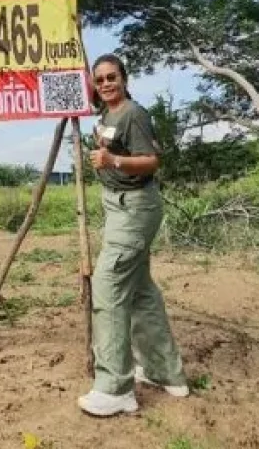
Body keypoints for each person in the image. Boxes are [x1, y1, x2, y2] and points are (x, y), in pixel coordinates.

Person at [77, 53, 189, 418]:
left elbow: (152, 160)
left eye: (113, 77)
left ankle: (115, 388)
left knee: (108, 286)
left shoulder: (133, 113)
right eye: (100, 79)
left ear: (124, 79)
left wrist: (114, 162)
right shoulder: (106, 115)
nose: (106, 83)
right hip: (117, 208)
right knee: (140, 291)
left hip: (136, 207)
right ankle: (163, 372)